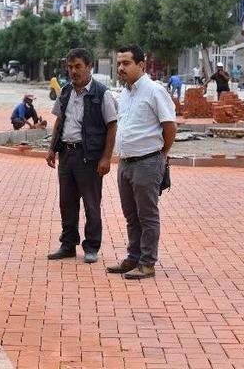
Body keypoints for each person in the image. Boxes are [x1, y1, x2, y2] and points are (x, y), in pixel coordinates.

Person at [107, 45, 177, 280]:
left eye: (126, 63)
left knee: (147, 215)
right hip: (126, 162)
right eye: (119, 63)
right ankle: (133, 257)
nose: (121, 68)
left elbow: (170, 126)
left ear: (141, 65)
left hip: (147, 161)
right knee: (131, 215)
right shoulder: (125, 92)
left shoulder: (154, 90)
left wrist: (161, 155)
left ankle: (147, 262)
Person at [46, 48, 118, 264]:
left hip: (90, 157)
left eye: (78, 66)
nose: (73, 71)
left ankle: (92, 246)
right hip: (66, 155)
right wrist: (51, 148)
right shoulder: (65, 92)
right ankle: (68, 245)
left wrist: (106, 158)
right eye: (69, 67)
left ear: (89, 67)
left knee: (91, 203)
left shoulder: (102, 93)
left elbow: (112, 126)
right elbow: (59, 121)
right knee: (66, 203)